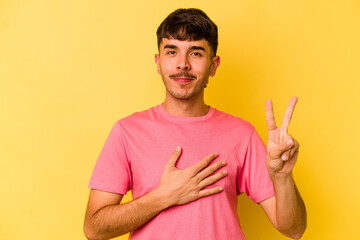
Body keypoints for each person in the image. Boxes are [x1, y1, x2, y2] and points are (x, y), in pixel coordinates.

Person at [83, 8, 307, 240]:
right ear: (158, 63)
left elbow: (294, 229)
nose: (183, 64)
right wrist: (164, 196)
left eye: (196, 53)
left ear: (214, 65)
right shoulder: (127, 132)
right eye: (172, 52)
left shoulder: (243, 134)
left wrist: (283, 177)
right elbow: (94, 229)